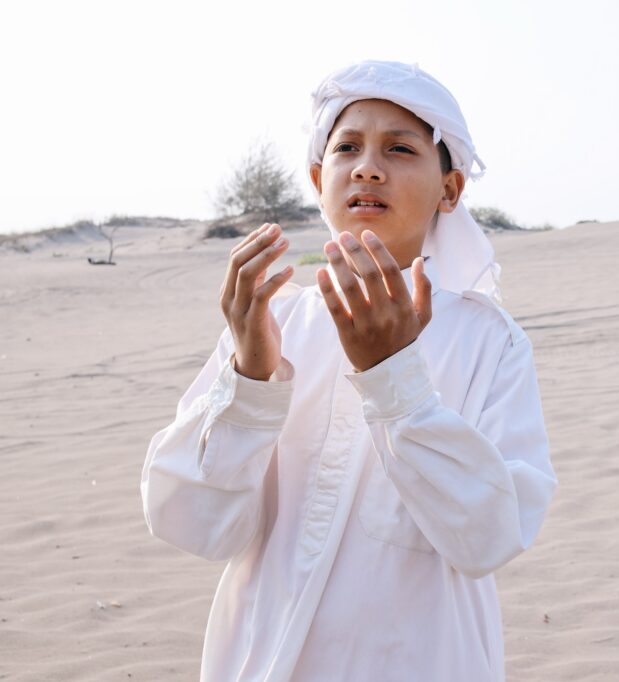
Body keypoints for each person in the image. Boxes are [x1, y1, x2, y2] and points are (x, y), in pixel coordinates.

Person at [140, 59, 558, 681]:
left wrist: (395, 380)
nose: (368, 167)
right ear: (318, 177)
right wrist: (250, 379)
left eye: (399, 148)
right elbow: (190, 523)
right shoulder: (272, 325)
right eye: (347, 148)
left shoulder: (488, 341)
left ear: (450, 189)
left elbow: (491, 537)